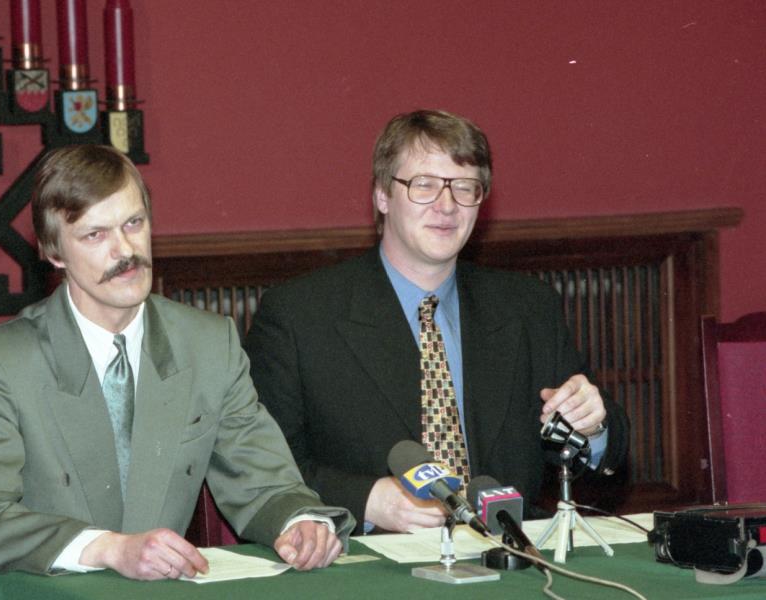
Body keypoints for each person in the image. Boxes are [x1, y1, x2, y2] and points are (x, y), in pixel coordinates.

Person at [0, 145, 354, 598]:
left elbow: (264, 480)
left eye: (133, 224)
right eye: (95, 235)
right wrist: (110, 549)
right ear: (54, 252)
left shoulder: (208, 345)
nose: (125, 250)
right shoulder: (1, 362)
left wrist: (300, 521)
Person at [243, 109, 629, 534]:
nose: (447, 206)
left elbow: (597, 456)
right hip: (373, 558)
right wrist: (367, 500)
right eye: (424, 185)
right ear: (382, 196)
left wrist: (593, 427)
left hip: (510, 552)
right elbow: (264, 469)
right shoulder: (299, 316)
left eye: (464, 187)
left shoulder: (528, 309)